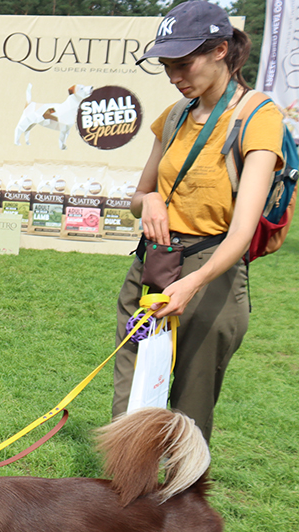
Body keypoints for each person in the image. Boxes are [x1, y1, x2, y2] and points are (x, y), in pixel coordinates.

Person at [112, 0, 284, 442]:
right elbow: (137, 197)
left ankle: (182, 503)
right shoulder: (173, 117)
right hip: (154, 265)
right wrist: (148, 200)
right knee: (131, 398)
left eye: (183, 64)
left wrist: (193, 283)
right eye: (167, 66)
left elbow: (243, 231)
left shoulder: (258, 116)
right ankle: (125, 500)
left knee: (190, 408)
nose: (174, 77)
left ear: (221, 51)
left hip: (213, 274)